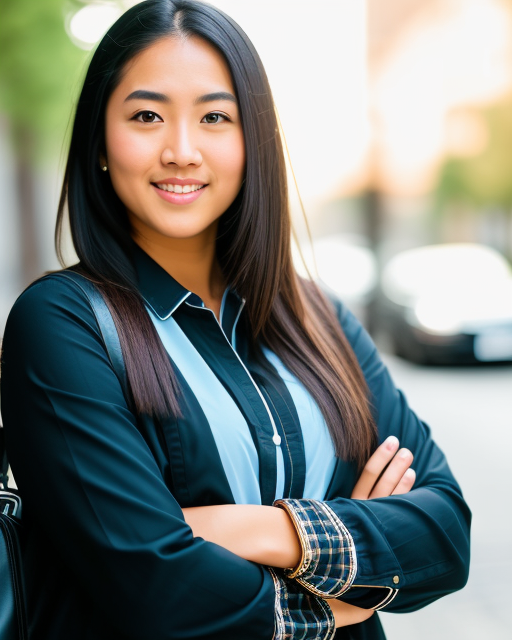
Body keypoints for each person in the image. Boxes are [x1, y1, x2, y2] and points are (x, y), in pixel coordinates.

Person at [0, 1, 470, 638]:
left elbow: (443, 533)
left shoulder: (318, 317)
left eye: (215, 117)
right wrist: (340, 593)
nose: (182, 150)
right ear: (100, 144)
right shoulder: (61, 325)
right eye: (146, 116)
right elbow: (155, 591)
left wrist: (256, 529)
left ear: (254, 142)